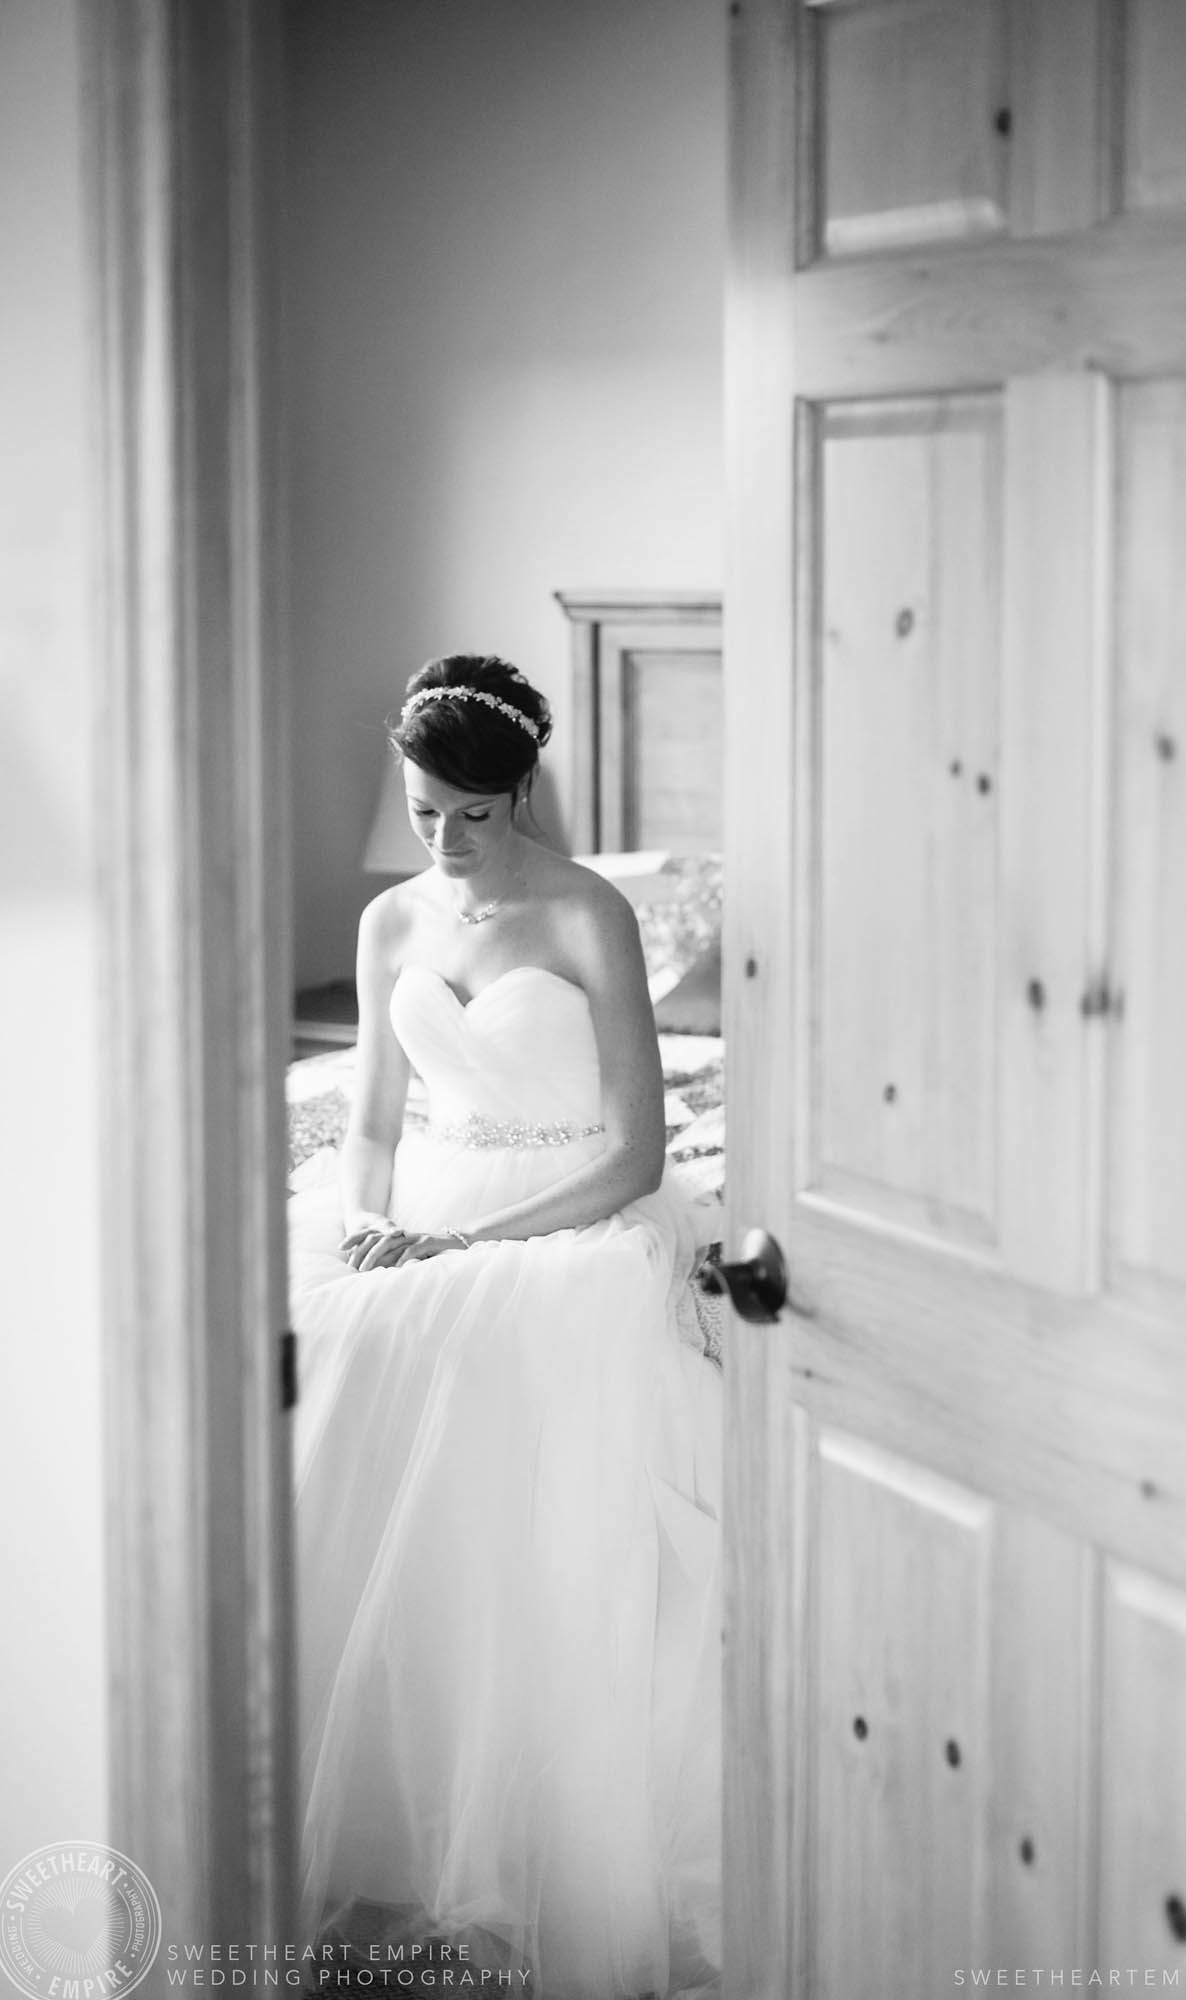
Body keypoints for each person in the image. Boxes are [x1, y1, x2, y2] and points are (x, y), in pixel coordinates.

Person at [288, 654, 723, 2000]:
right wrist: (373, 1226)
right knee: (340, 1334)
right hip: (424, 1197)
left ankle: (534, 1801)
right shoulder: (390, 924)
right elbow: (366, 1122)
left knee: (514, 1336)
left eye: (469, 813)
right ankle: (368, 1791)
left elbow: (641, 1151)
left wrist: (474, 1244)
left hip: (574, 1209)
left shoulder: (587, 909)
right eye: (423, 812)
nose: (444, 840)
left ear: (518, 789)